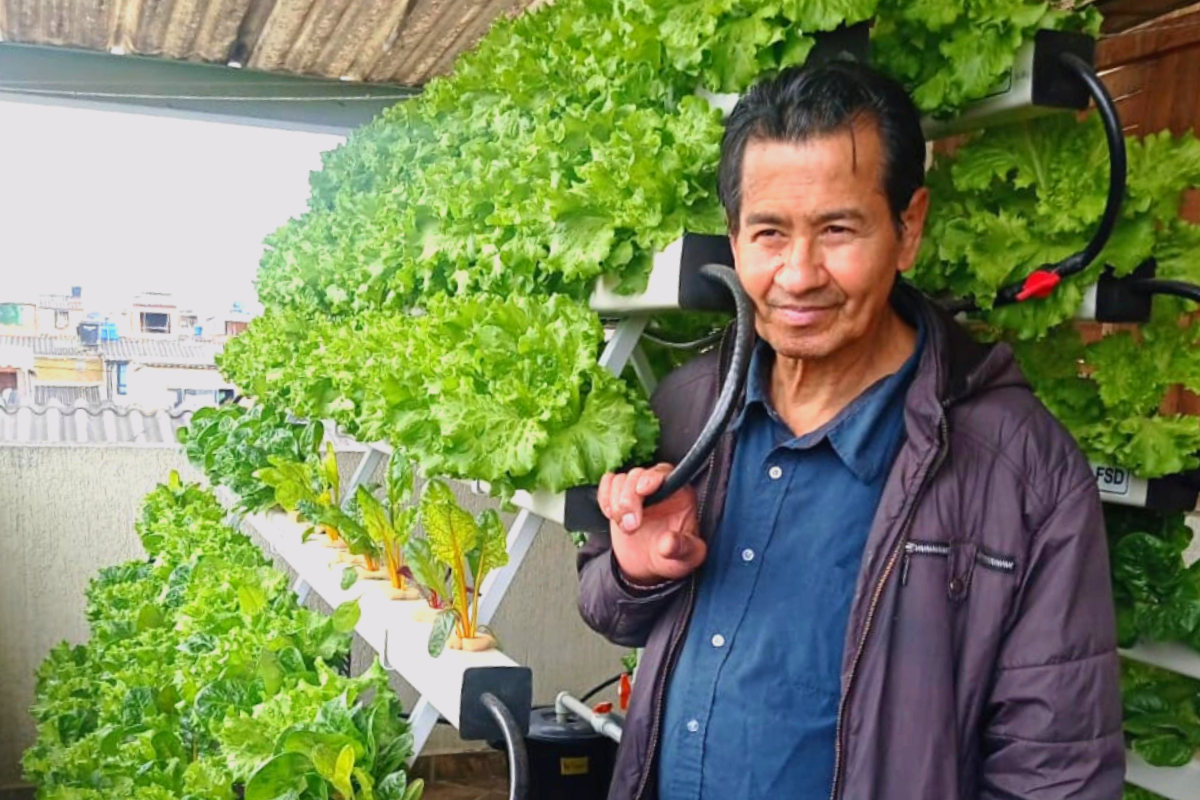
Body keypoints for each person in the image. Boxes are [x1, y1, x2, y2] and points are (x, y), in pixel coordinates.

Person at [578, 61, 1123, 800]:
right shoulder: (689, 405)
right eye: (769, 233)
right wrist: (634, 571)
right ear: (734, 242)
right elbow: (607, 606)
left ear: (908, 229)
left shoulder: (1020, 468)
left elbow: (1057, 773)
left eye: (838, 229)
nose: (799, 274)